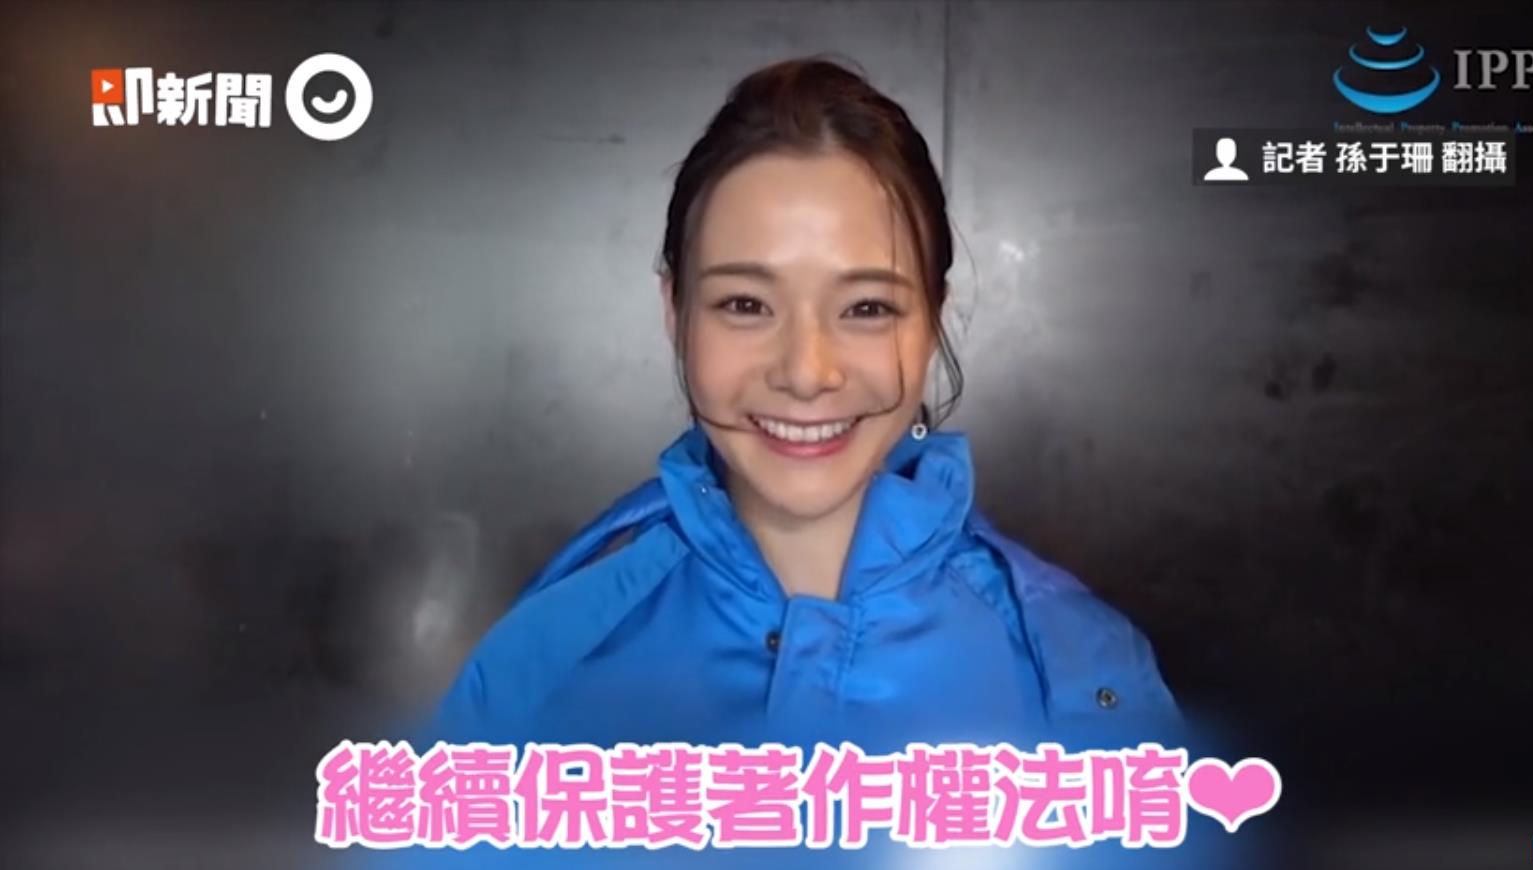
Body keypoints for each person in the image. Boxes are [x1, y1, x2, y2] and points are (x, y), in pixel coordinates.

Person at [361, 56, 1227, 870]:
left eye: (866, 307)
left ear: (933, 321)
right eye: (745, 303)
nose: (807, 372)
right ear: (674, 311)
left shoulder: (1080, 669)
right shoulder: (549, 659)